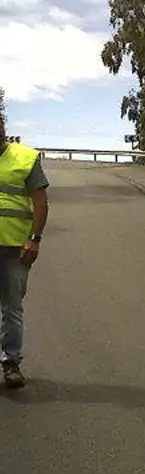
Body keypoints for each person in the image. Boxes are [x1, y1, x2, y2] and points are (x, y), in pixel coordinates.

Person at [0, 115, 49, 389]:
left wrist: (35, 239)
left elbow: (41, 203)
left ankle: (11, 362)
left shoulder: (25, 158)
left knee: (11, 308)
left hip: (15, 248)